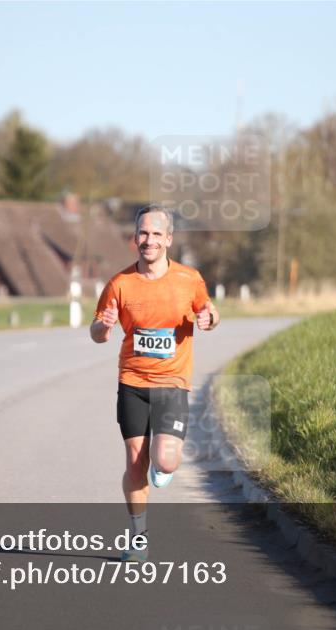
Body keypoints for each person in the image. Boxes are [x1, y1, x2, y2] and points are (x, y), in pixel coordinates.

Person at [90, 204, 219, 562]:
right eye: (143, 233)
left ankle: (161, 464)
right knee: (135, 462)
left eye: (156, 234)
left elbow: (210, 312)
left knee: (165, 462)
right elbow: (97, 332)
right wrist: (104, 327)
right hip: (132, 381)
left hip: (173, 382)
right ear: (135, 238)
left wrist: (209, 319)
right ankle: (138, 538)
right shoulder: (119, 283)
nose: (149, 240)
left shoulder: (188, 279)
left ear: (169, 239)